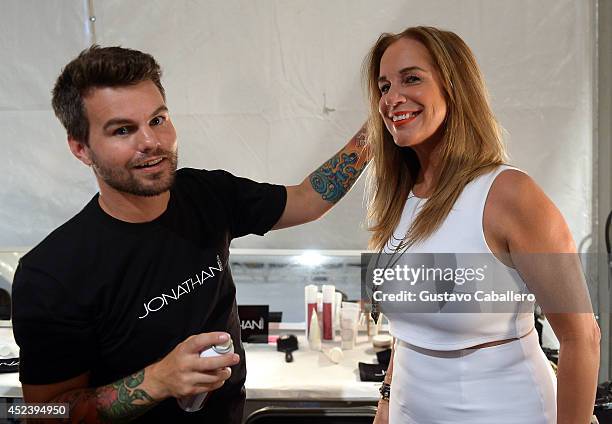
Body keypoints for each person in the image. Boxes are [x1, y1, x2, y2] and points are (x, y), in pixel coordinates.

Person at [11, 45, 368, 423]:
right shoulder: (52, 274)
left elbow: (308, 200)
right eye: (122, 130)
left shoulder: (207, 194)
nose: (150, 141)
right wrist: (157, 380)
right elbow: (43, 412)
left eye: (158, 120)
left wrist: (373, 133)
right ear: (81, 148)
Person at [362, 27, 600, 423]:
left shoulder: (509, 195)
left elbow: (582, 338)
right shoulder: (399, 199)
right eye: (384, 86)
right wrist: (385, 406)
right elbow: (410, 333)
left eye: (412, 78)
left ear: (455, 87)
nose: (391, 98)